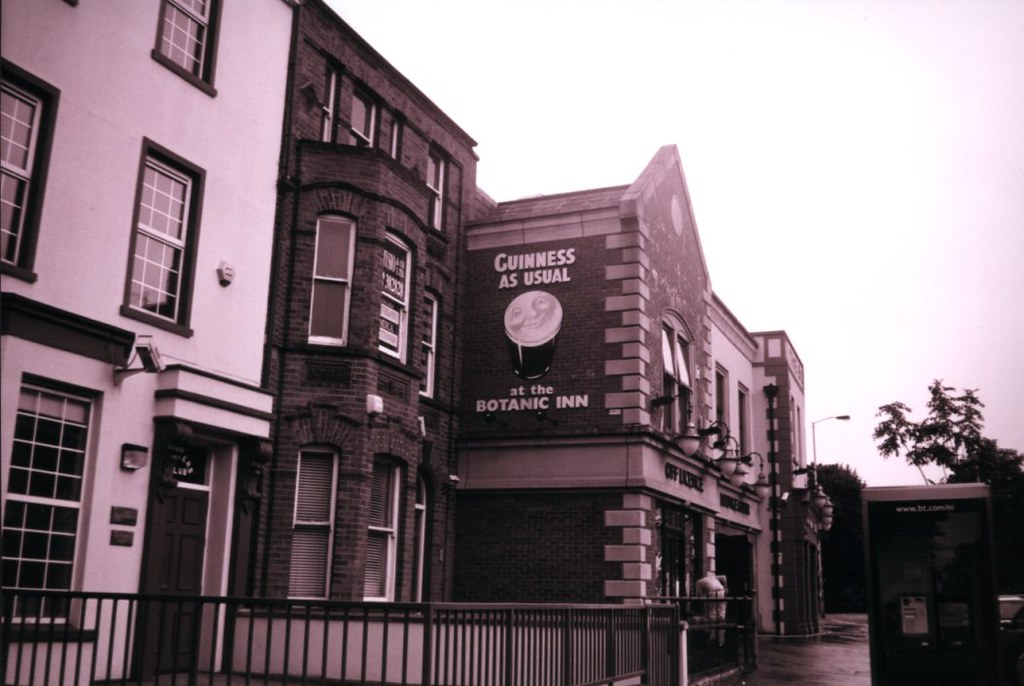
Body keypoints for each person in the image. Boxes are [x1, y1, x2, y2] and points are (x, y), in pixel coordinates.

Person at [696, 569, 727, 645]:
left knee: (712, 614)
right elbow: (724, 577)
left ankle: (712, 636)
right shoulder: (713, 577)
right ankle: (721, 639)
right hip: (722, 591)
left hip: (712, 593)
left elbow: (698, 595)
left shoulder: (699, 582)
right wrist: (726, 588)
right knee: (721, 615)